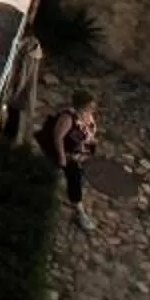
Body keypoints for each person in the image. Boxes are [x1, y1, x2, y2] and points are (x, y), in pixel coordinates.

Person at [37, 92, 101, 228]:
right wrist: (62, 157)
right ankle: (79, 211)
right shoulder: (68, 118)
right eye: (90, 105)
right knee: (74, 178)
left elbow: (88, 132)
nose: (93, 107)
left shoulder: (87, 115)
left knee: (77, 177)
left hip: (80, 155)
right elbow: (58, 137)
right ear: (82, 105)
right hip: (68, 156)